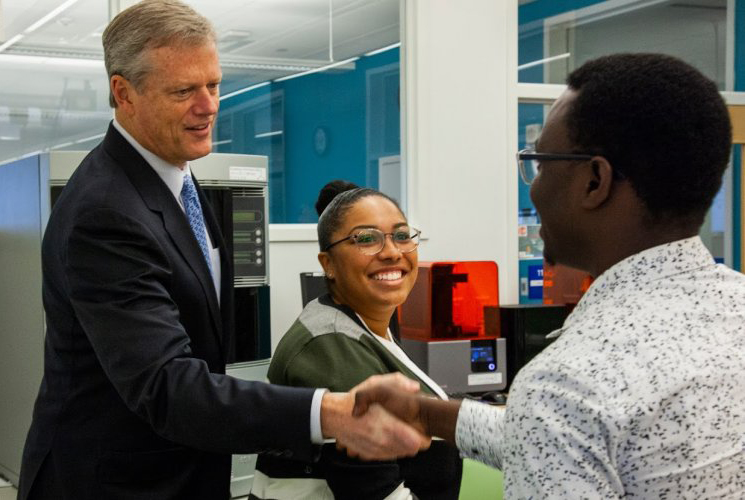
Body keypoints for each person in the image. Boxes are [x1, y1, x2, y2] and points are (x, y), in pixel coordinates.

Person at [17, 2, 425, 499]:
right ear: (124, 93)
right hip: (115, 481)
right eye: (184, 90)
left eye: (213, 84)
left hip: (184, 467)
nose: (210, 105)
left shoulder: (179, 179)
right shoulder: (105, 211)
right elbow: (165, 384)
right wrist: (332, 412)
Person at [353, 53, 745, 498]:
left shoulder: (568, 382)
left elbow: (563, 429)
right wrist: (427, 415)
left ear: (595, 181)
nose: (533, 187)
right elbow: (566, 443)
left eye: (539, 164)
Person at [250, 183, 462, 499]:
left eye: (402, 236)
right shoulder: (329, 346)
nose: (392, 252)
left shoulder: (366, 325)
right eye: (366, 239)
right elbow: (374, 489)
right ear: (328, 264)